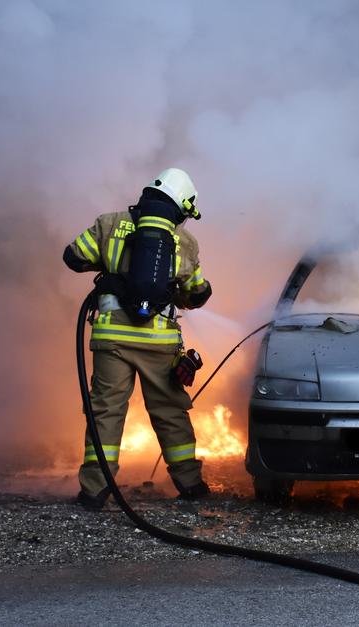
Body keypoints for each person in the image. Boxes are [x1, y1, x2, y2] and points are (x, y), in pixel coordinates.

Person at [64, 167, 213, 509]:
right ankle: (190, 485)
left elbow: (73, 257)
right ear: (180, 205)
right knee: (170, 411)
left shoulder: (109, 223)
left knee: (105, 412)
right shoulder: (185, 241)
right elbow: (196, 294)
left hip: (110, 342)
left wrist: (112, 275)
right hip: (158, 345)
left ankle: (94, 491)